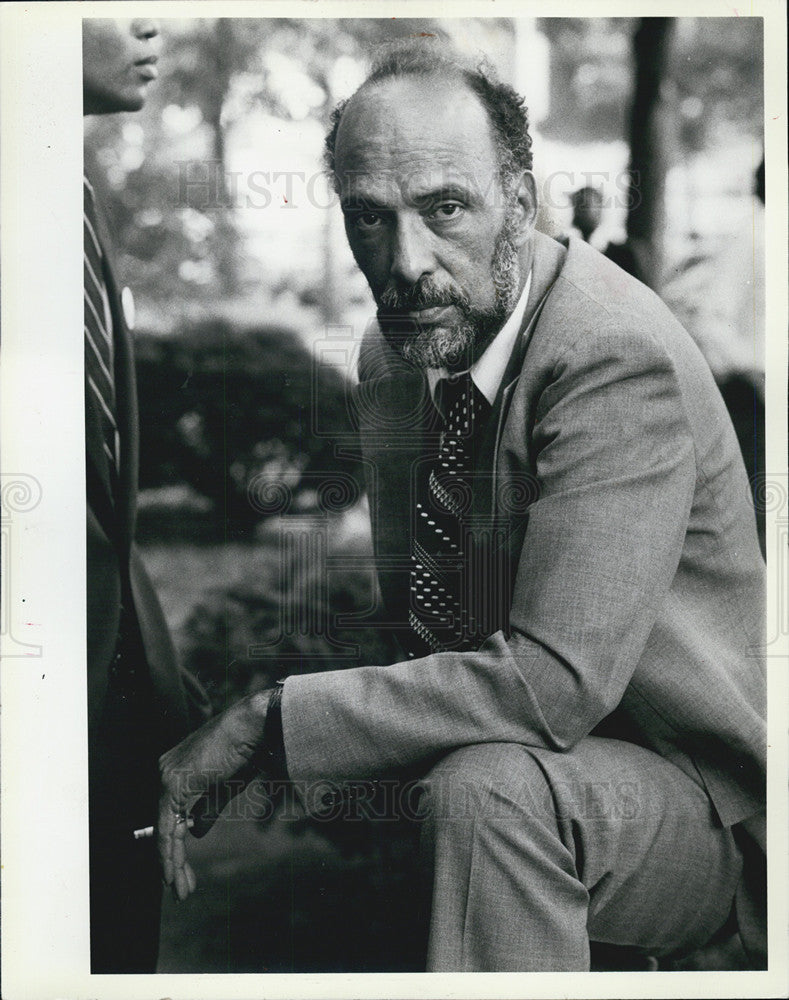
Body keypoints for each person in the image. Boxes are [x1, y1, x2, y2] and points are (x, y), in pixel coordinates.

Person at [157, 45, 765, 972]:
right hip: (551, 772)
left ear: (519, 206)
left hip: (708, 806)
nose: (404, 263)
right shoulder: (395, 356)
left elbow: (552, 681)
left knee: (487, 795)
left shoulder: (608, 358)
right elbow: (427, 637)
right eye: (369, 217)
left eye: (445, 208)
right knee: (469, 791)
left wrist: (269, 720)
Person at [83, 18, 209, 973]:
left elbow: (96, 510)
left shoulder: (75, 197)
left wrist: (150, 675)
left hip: (107, 705)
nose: (149, 20)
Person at [570, 184, 645, 282]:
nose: (579, 212)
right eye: (577, 206)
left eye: (586, 206)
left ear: (600, 209)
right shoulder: (568, 248)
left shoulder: (623, 255)